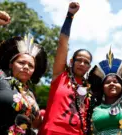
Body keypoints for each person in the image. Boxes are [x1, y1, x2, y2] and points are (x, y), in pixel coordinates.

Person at [0, 10, 47, 135]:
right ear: (11, 64)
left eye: (30, 65)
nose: (26, 67)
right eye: (21, 62)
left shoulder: (30, 95)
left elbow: (37, 124)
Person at [38, 2, 93, 135]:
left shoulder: (90, 90)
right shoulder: (60, 76)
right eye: (78, 59)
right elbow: (63, 43)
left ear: (89, 67)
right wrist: (70, 16)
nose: (81, 63)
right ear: (71, 61)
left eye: (86, 62)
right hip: (51, 131)